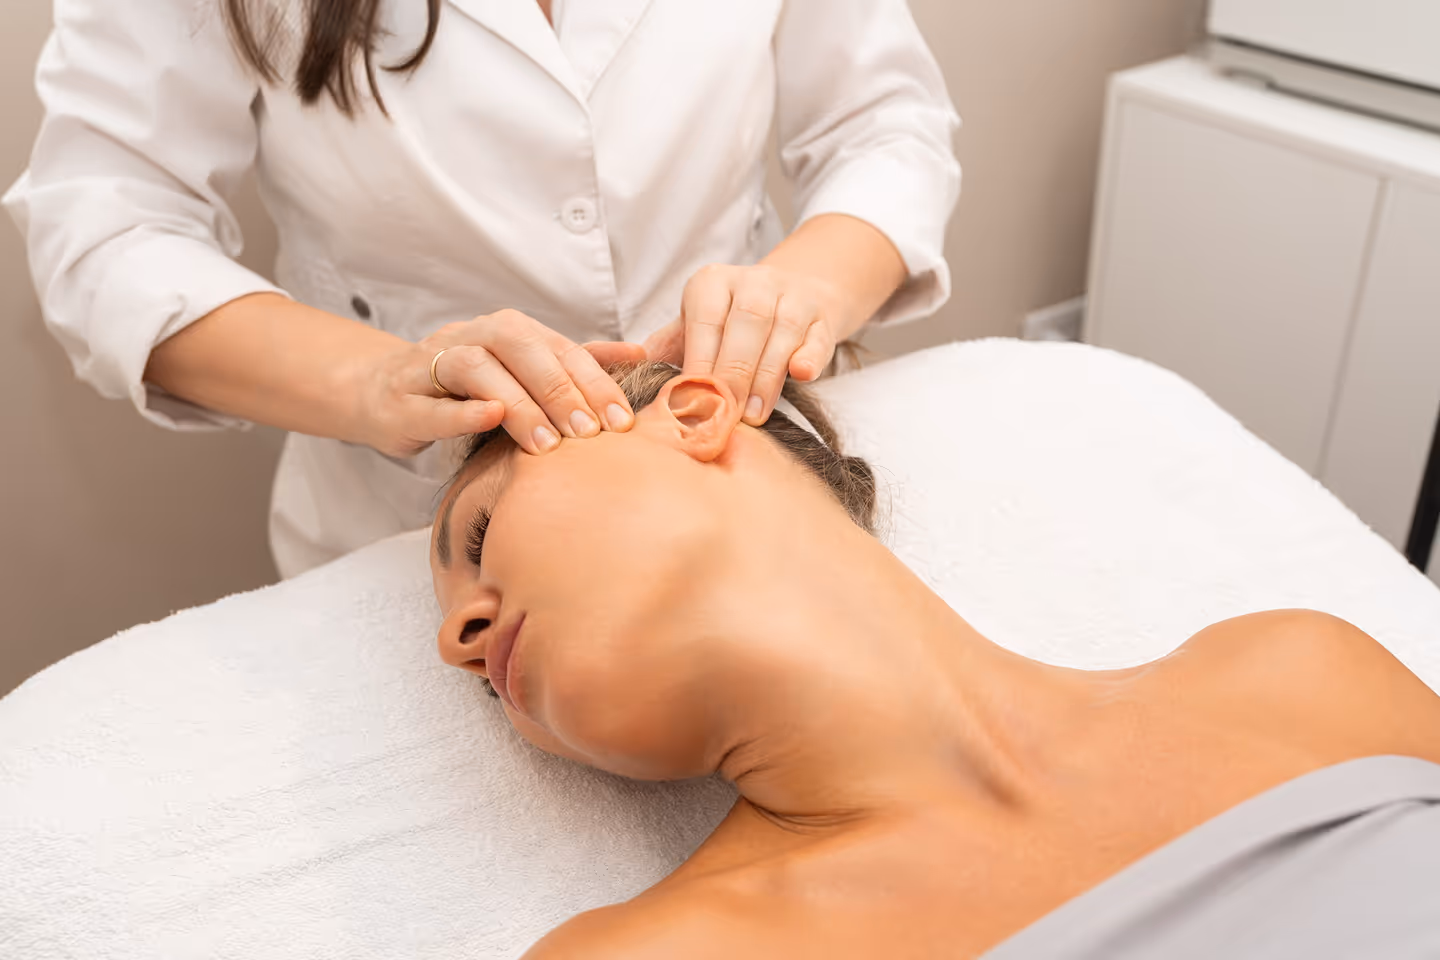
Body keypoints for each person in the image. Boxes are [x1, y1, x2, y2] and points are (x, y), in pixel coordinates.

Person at [429, 361, 1440, 959]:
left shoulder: (1295, 679)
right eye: (468, 668)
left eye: (478, 536)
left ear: (693, 416)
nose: (457, 645)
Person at [4, 0, 960, 578]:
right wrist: (378, 380)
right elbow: (107, 229)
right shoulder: (475, 621)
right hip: (405, 524)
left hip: (756, 472)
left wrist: (805, 286)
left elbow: (885, 123)